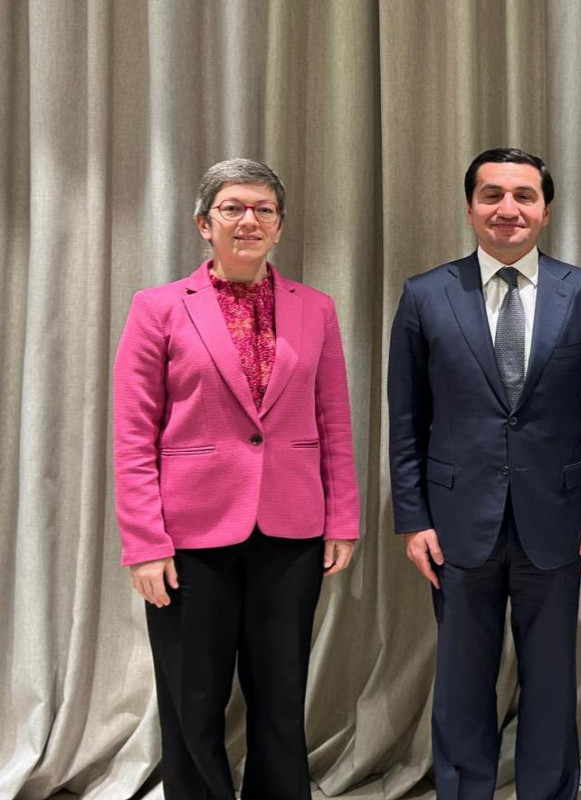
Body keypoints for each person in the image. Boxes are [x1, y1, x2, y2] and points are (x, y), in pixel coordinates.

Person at [112, 158, 360, 799]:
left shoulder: (316, 309)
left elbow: (333, 421)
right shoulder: (158, 308)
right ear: (204, 223)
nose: (249, 220)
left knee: (281, 694)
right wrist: (144, 542)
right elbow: (134, 435)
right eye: (232, 208)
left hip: (292, 528)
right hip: (188, 535)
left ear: (279, 225)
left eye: (263, 209)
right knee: (193, 697)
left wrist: (342, 519)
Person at [388, 147, 581, 800]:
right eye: (492, 195)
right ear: (470, 208)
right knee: (461, 680)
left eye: (524, 196)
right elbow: (406, 420)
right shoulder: (425, 295)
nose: (508, 209)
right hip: (455, 521)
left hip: (558, 518)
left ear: (545, 211)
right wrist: (412, 518)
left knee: (551, 680)